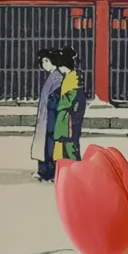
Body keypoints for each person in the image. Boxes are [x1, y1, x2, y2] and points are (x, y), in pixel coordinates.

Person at [30, 47, 85, 182]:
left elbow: (65, 99)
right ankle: (53, 171)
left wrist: (57, 104)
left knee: (62, 146)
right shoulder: (60, 77)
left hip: (57, 117)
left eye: (46, 61)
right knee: (57, 146)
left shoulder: (62, 77)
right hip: (54, 116)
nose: (44, 64)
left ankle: (62, 171)